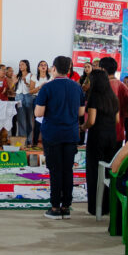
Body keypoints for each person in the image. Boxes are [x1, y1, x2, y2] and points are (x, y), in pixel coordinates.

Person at [34, 55, 85, 219]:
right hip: (71, 133)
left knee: (55, 170)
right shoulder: (77, 87)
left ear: (53, 68)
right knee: (67, 170)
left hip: (53, 133)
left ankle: (55, 207)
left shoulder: (47, 87)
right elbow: (81, 112)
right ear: (69, 70)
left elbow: (38, 112)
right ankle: (66, 206)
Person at [82, 68, 119, 216]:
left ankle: (95, 207)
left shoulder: (94, 97)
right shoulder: (113, 97)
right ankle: (107, 206)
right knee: (109, 171)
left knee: (94, 171)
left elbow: (91, 121)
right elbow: (117, 120)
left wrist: (82, 127)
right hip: (112, 136)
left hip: (97, 136)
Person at [97, 57, 128, 145]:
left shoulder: (102, 86)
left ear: (103, 69)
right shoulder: (123, 87)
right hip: (118, 132)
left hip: (102, 131)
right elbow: (127, 112)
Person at [30, 60, 52, 146]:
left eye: (45, 65)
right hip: (37, 99)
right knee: (37, 121)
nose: (43, 66)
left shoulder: (50, 77)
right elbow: (31, 91)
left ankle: (47, 141)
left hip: (49, 100)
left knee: (48, 120)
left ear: (47, 67)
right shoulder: (34, 77)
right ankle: (35, 142)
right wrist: (39, 87)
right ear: (38, 67)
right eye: (41, 65)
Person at [14, 60, 36, 143]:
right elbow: (12, 87)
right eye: (19, 65)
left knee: (29, 118)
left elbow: (33, 88)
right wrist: (14, 82)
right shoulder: (17, 76)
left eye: (22, 64)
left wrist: (26, 82)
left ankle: (29, 139)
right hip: (19, 96)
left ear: (27, 66)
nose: (20, 66)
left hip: (28, 96)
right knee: (21, 118)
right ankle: (22, 140)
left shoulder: (31, 75)